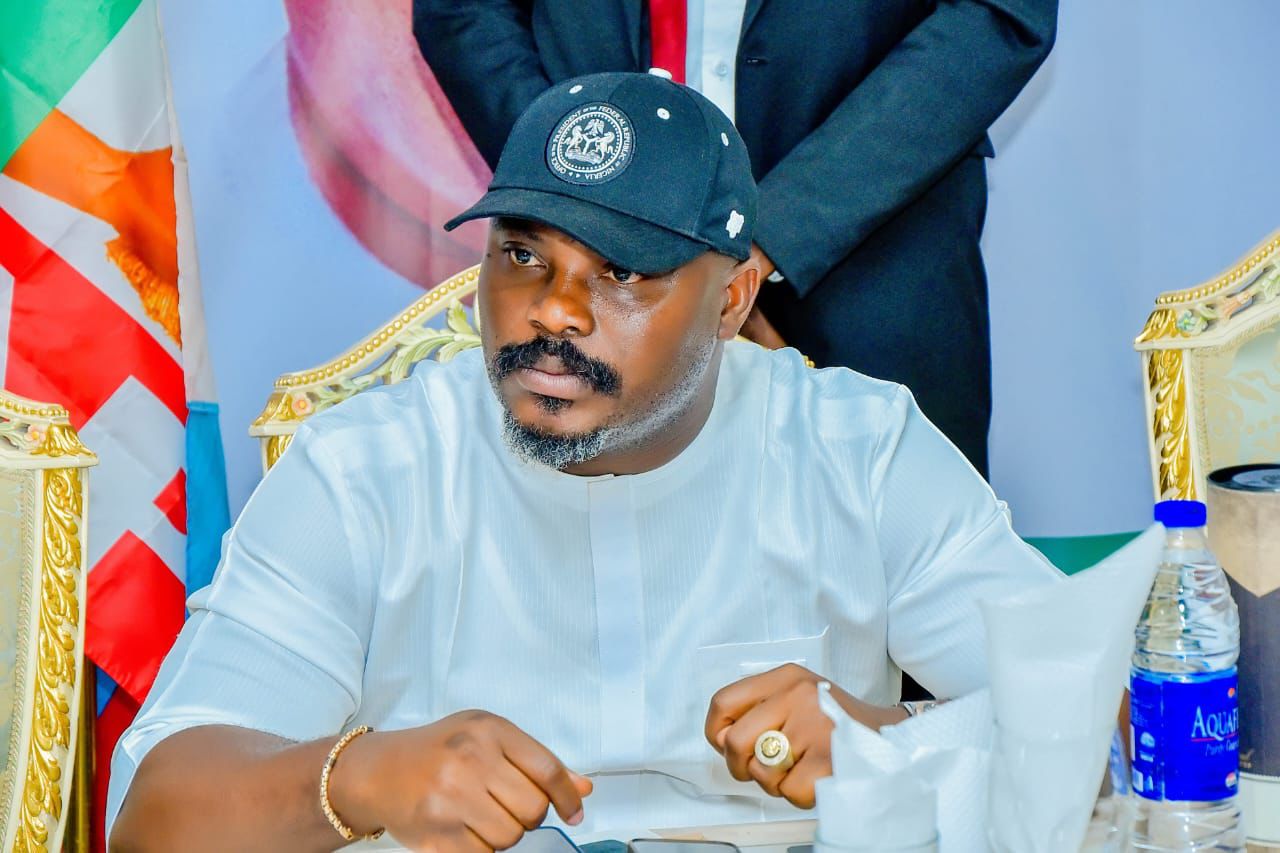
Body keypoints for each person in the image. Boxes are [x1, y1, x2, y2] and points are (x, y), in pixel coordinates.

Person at [107, 72, 1058, 852]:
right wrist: (357, 775)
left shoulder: (859, 450)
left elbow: (1093, 715)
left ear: (733, 301)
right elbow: (152, 816)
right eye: (524, 256)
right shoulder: (365, 469)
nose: (554, 311)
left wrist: (891, 745)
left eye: (622, 271)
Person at [413, 0, 1059, 477]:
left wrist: (770, 234)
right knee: (599, 586)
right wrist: (591, 193)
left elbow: (999, 14)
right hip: (599, 271)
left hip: (874, 258)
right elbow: (462, 11)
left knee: (901, 588)